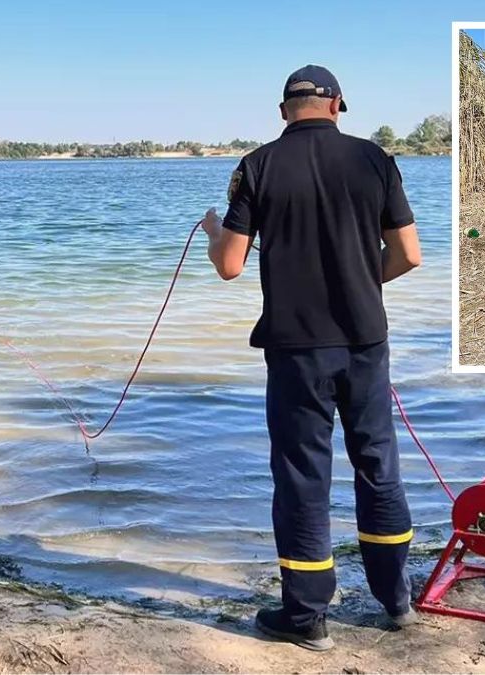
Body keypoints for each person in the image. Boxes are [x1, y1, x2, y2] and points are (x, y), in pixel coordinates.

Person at [199, 64, 422, 651]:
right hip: (365, 342)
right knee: (378, 462)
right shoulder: (376, 160)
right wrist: (359, 284)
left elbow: (229, 265)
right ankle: (396, 601)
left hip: (296, 349)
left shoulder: (257, 165)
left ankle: (306, 617)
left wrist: (212, 230)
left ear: (281, 112)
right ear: (338, 106)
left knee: (303, 475)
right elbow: (409, 255)